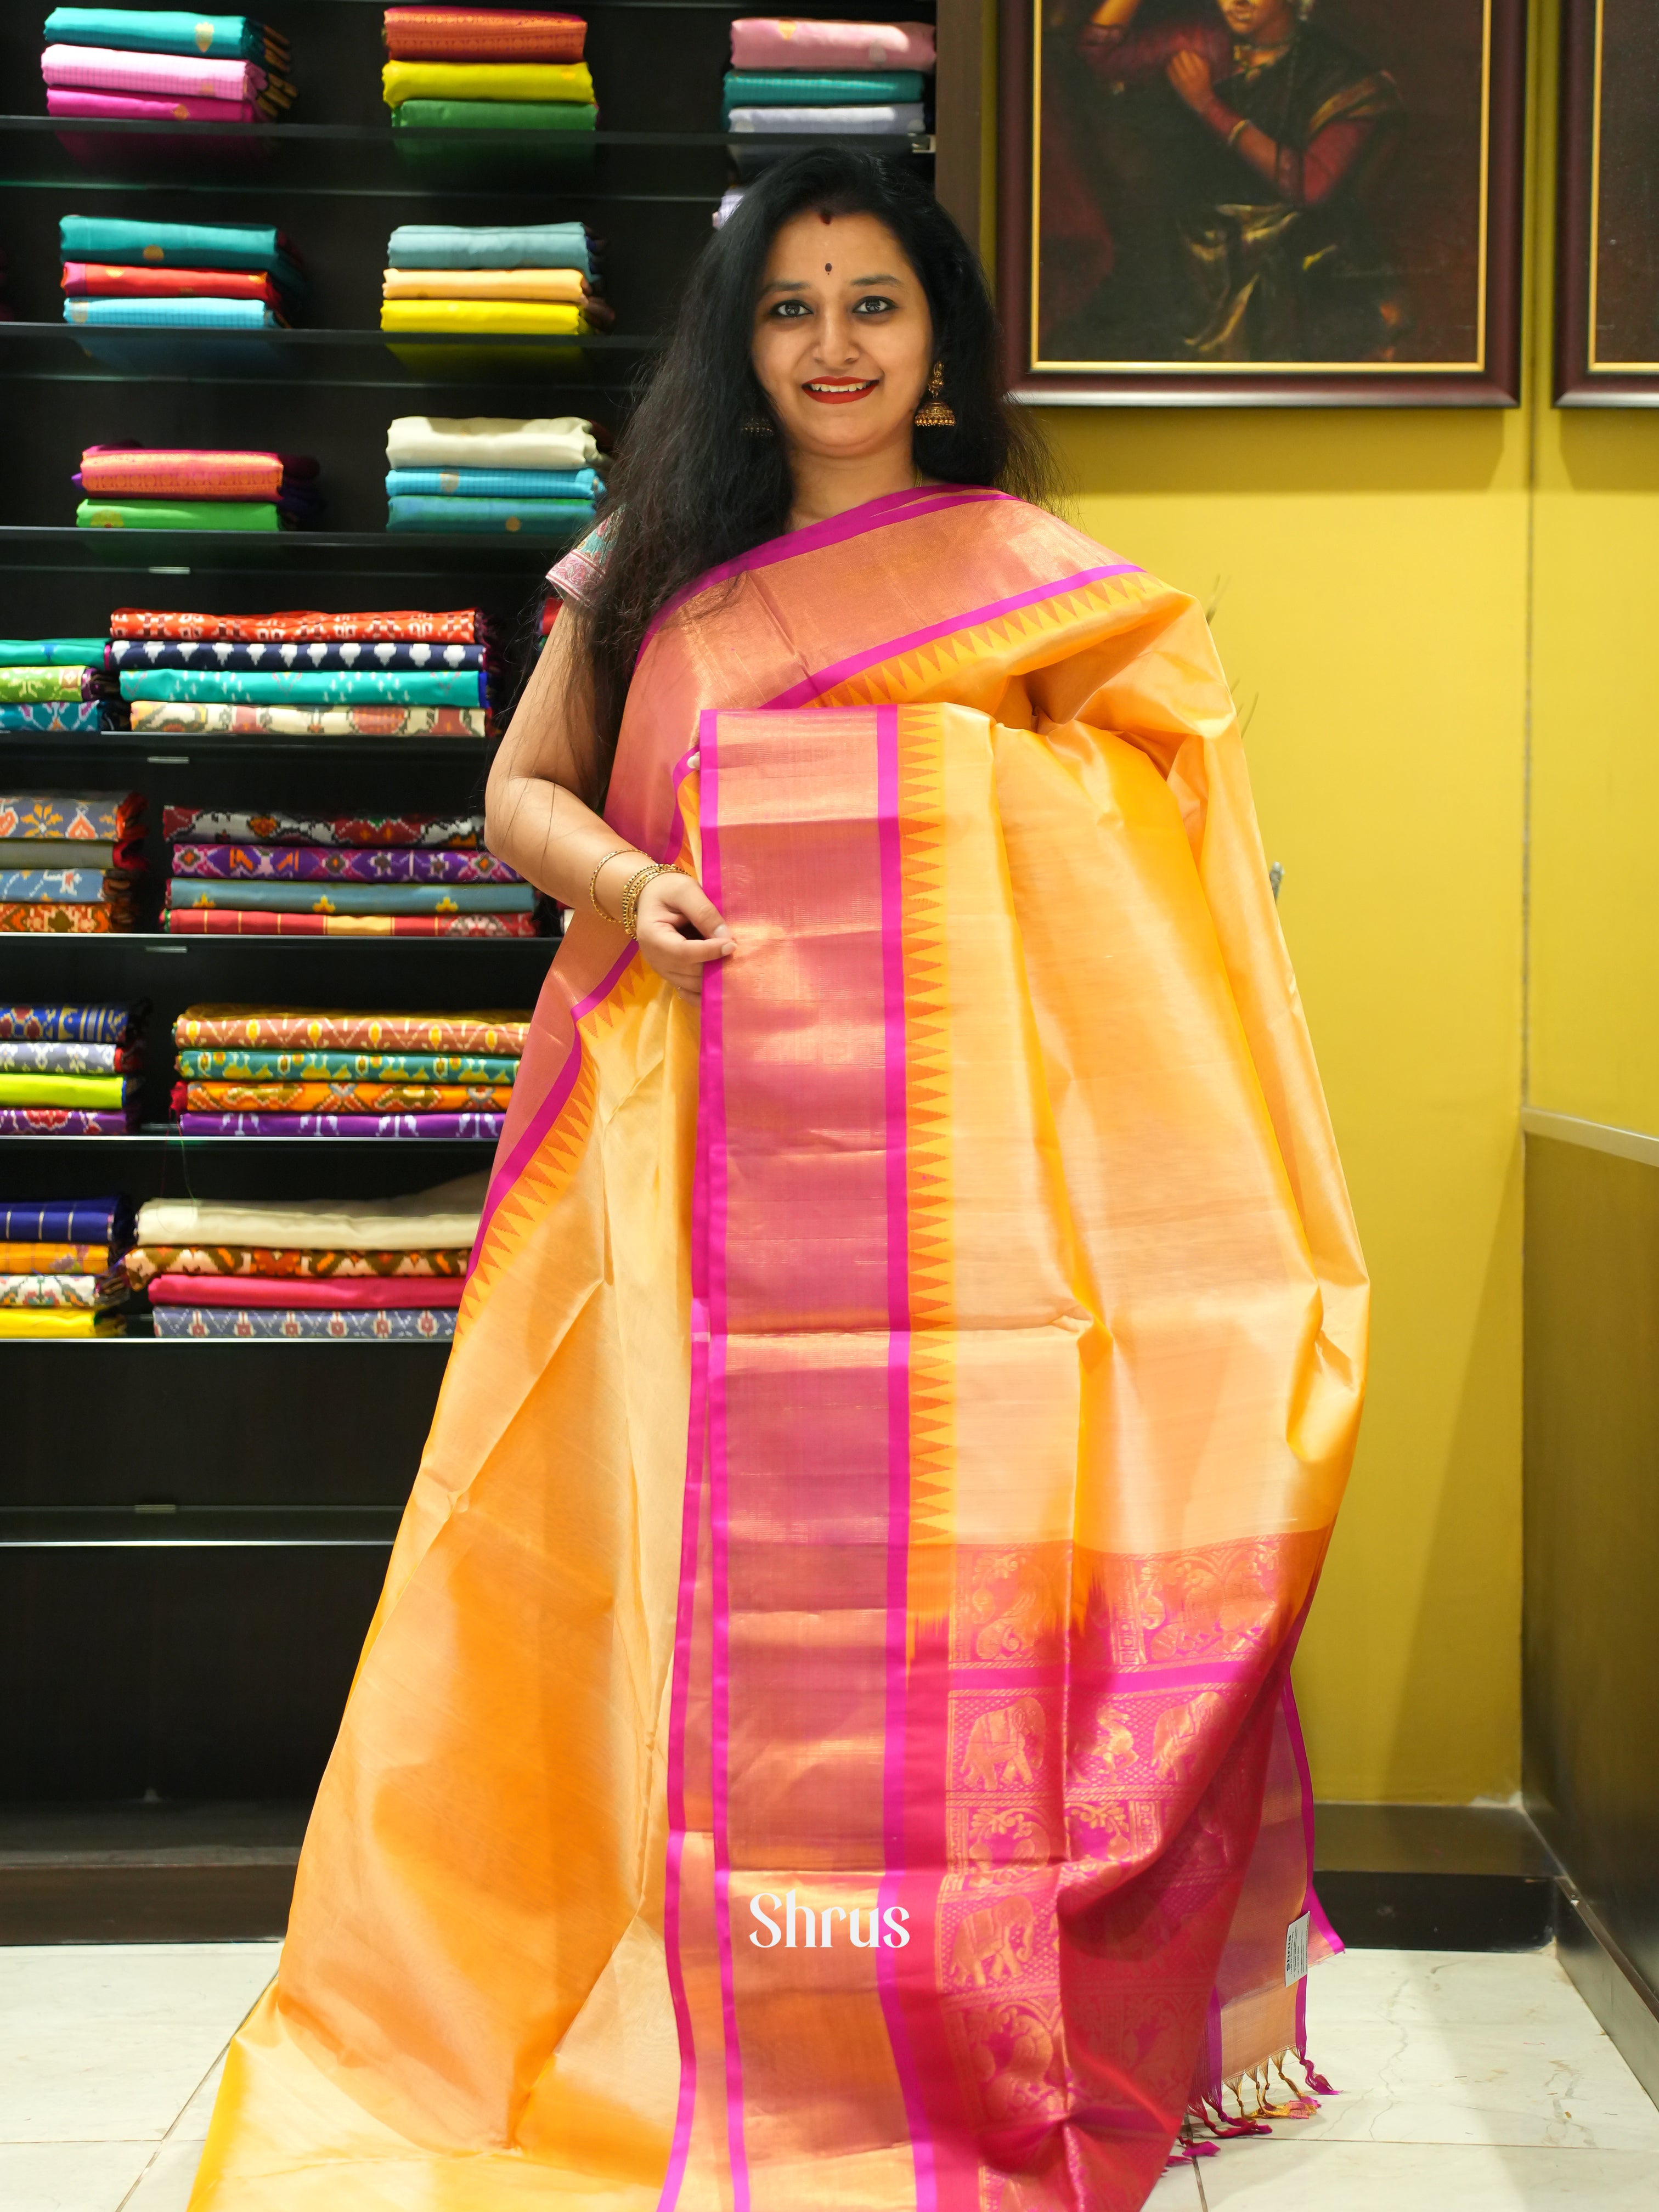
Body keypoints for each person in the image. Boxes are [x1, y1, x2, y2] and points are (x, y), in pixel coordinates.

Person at [190, 149, 1367, 2212]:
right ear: (740, 350)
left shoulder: (1019, 573)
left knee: (951, 1605)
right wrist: (636, 882)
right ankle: (702, 1996)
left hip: (965, 1209)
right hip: (684, 1171)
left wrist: (970, 795)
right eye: (789, 309)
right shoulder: (640, 564)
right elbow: (517, 797)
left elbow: (1144, 826)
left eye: (871, 304)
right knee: (681, 1587)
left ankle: (941, 1999)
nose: (833, 344)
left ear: (936, 344)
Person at [1045, 0, 1407, 363]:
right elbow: (1096, 51)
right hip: (1191, 254)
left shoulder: (1343, 77)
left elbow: (1309, 185)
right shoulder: (1203, 41)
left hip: (1291, 257)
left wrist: (1207, 105)